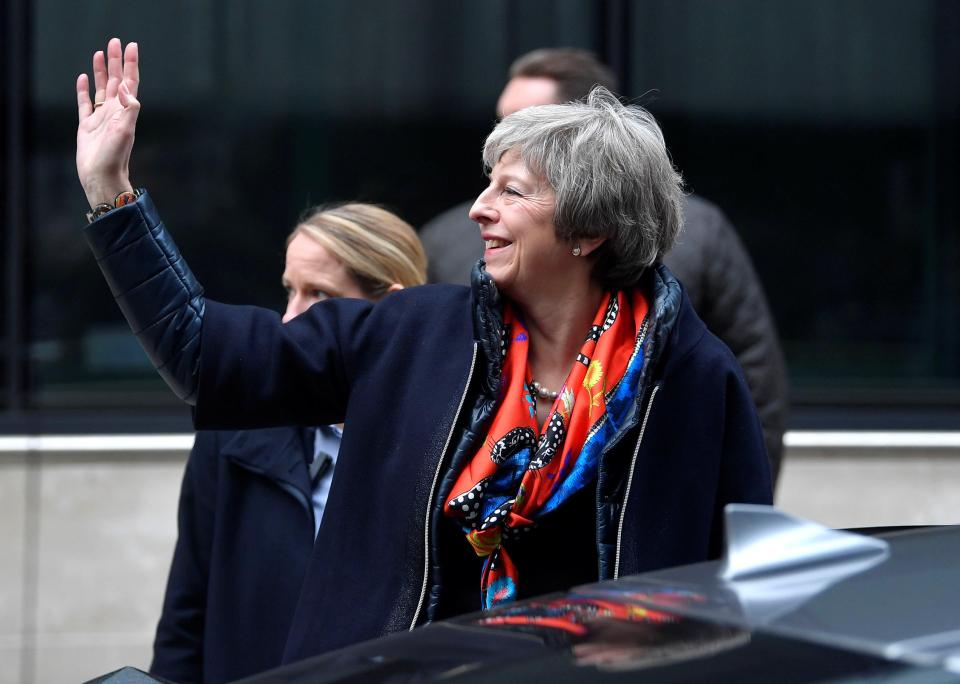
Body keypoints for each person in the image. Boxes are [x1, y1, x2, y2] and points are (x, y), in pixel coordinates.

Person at [75, 39, 771, 664]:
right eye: (487, 183)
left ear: (588, 229)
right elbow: (205, 354)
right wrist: (113, 195)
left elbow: (736, 593)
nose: (478, 208)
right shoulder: (412, 333)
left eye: (512, 191)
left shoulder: (692, 380)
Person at [420, 48, 789, 484]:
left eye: (528, 118)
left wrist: (740, 517)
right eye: (501, 120)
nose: (510, 134)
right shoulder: (447, 239)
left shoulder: (699, 238)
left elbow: (753, 381)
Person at [149, 204, 428, 684]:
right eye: (289, 291)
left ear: (388, 311)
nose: (290, 317)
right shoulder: (234, 435)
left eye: (318, 294)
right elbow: (186, 617)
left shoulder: (444, 441)